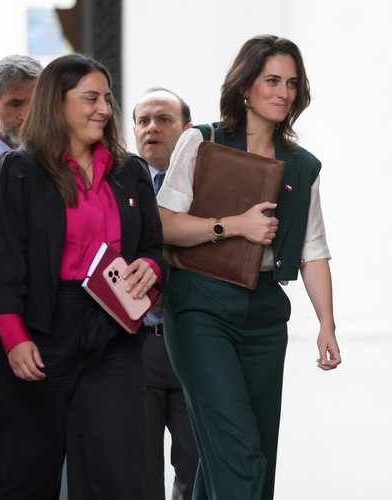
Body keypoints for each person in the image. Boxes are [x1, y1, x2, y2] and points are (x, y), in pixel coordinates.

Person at [0, 53, 165, 499]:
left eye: (108, 99)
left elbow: (153, 248)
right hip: (39, 330)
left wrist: (151, 268)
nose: (104, 109)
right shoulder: (17, 171)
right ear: (57, 103)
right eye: (91, 98)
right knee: (20, 475)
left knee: (115, 472)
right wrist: (14, 337)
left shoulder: (130, 171)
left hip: (114, 332)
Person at [157, 34, 341, 500]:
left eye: (292, 83)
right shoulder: (202, 140)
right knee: (241, 456)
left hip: (264, 315)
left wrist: (327, 324)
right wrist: (235, 225)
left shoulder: (303, 166)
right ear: (245, 87)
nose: (284, 92)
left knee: (245, 453)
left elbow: (313, 249)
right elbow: (163, 223)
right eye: (272, 80)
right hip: (200, 307)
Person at [0, 54, 42, 491]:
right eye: (16, 103)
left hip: (43, 336)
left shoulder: (64, 165)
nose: (27, 115)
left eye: (36, 102)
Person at [133, 87, 198, 500]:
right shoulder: (117, 186)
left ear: (187, 130)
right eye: (143, 121)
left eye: (163, 119)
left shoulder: (207, 187)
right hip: (136, 345)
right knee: (138, 467)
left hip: (192, 344)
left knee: (194, 464)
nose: (151, 128)